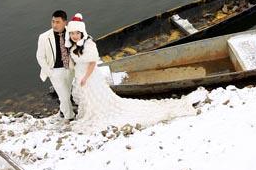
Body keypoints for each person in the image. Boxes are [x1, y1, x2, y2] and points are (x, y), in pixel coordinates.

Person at [65, 13, 206, 132]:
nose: (74, 36)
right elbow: (74, 61)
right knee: (86, 98)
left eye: (76, 33)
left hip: (88, 76)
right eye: (72, 33)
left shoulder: (89, 45)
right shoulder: (72, 44)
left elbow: (92, 63)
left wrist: (85, 78)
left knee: (94, 97)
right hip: (80, 74)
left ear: (81, 32)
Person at [36, 10, 75, 120]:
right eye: (53, 22)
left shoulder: (72, 33)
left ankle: (63, 111)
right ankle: (70, 117)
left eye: (58, 22)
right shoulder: (43, 37)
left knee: (68, 93)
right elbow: (40, 57)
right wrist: (50, 73)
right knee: (65, 97)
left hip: (70, 69)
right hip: (55, 71)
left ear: (65, 22)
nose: (54, 25)